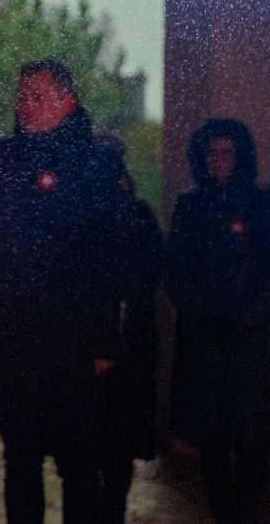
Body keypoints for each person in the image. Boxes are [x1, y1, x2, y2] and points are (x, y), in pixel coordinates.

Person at [0, 58, 126, 524]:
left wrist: (104, 340)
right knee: (20, 461)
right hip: (13, 343)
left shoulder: (96, 165)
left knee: (78, 465)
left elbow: (110, 256)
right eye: (21, 97)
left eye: (38, 96)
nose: (26, 106)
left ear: (67, 101)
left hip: (73, 346)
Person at [166, 118, 270, 524]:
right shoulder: (190, 206)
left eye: (228, 153)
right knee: (212, 441)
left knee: (250, 443)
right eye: (212, 153)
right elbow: (176, 270)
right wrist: (205, 315)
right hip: (205, 344)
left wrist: (247, 318)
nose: (220, 161)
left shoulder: (262, 205)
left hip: (252, 347)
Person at [93, 134, 162, 524]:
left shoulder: (132, 215)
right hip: (122, 349)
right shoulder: (133, 213)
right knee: (110, 453)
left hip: (124, 350)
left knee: (110, 451)